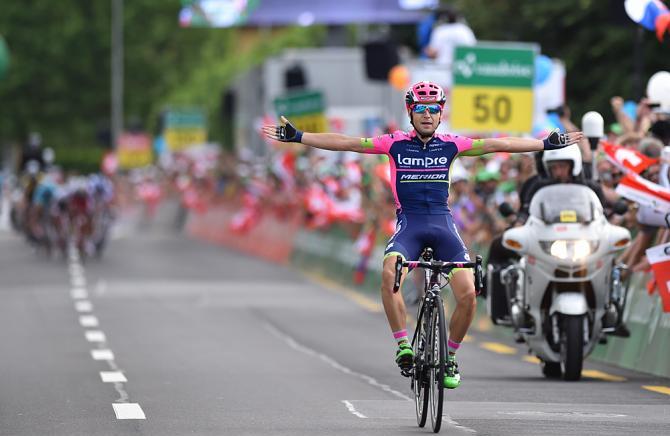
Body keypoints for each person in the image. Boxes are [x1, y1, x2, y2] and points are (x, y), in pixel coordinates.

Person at [262, 81, 582, 389]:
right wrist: (300, 137)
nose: (426, 115)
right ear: (410, 112)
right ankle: (403, 345)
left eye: (433, 109)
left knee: (469, 294)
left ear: (441, 113)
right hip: (409, 227)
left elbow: (499, 144)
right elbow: (348, 142)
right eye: (420, 109)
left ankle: (451, 358)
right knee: (390, 274)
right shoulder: (394, 143)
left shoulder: (453, 144)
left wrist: (545, 144)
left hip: (443, 226)